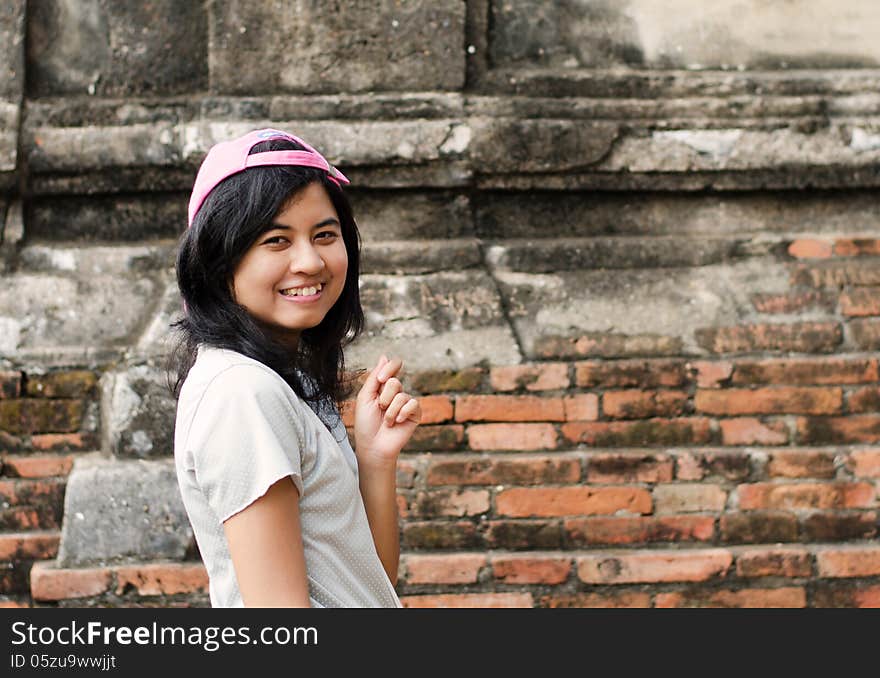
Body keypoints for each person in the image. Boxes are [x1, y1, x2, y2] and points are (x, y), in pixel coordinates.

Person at [169, 128, 421, 607]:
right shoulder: (242, 392)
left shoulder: (282, 380)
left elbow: (369, 584)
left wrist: (374, 457)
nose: (310, 261)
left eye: (325, 235)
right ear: (221, 262)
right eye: (276, 241)